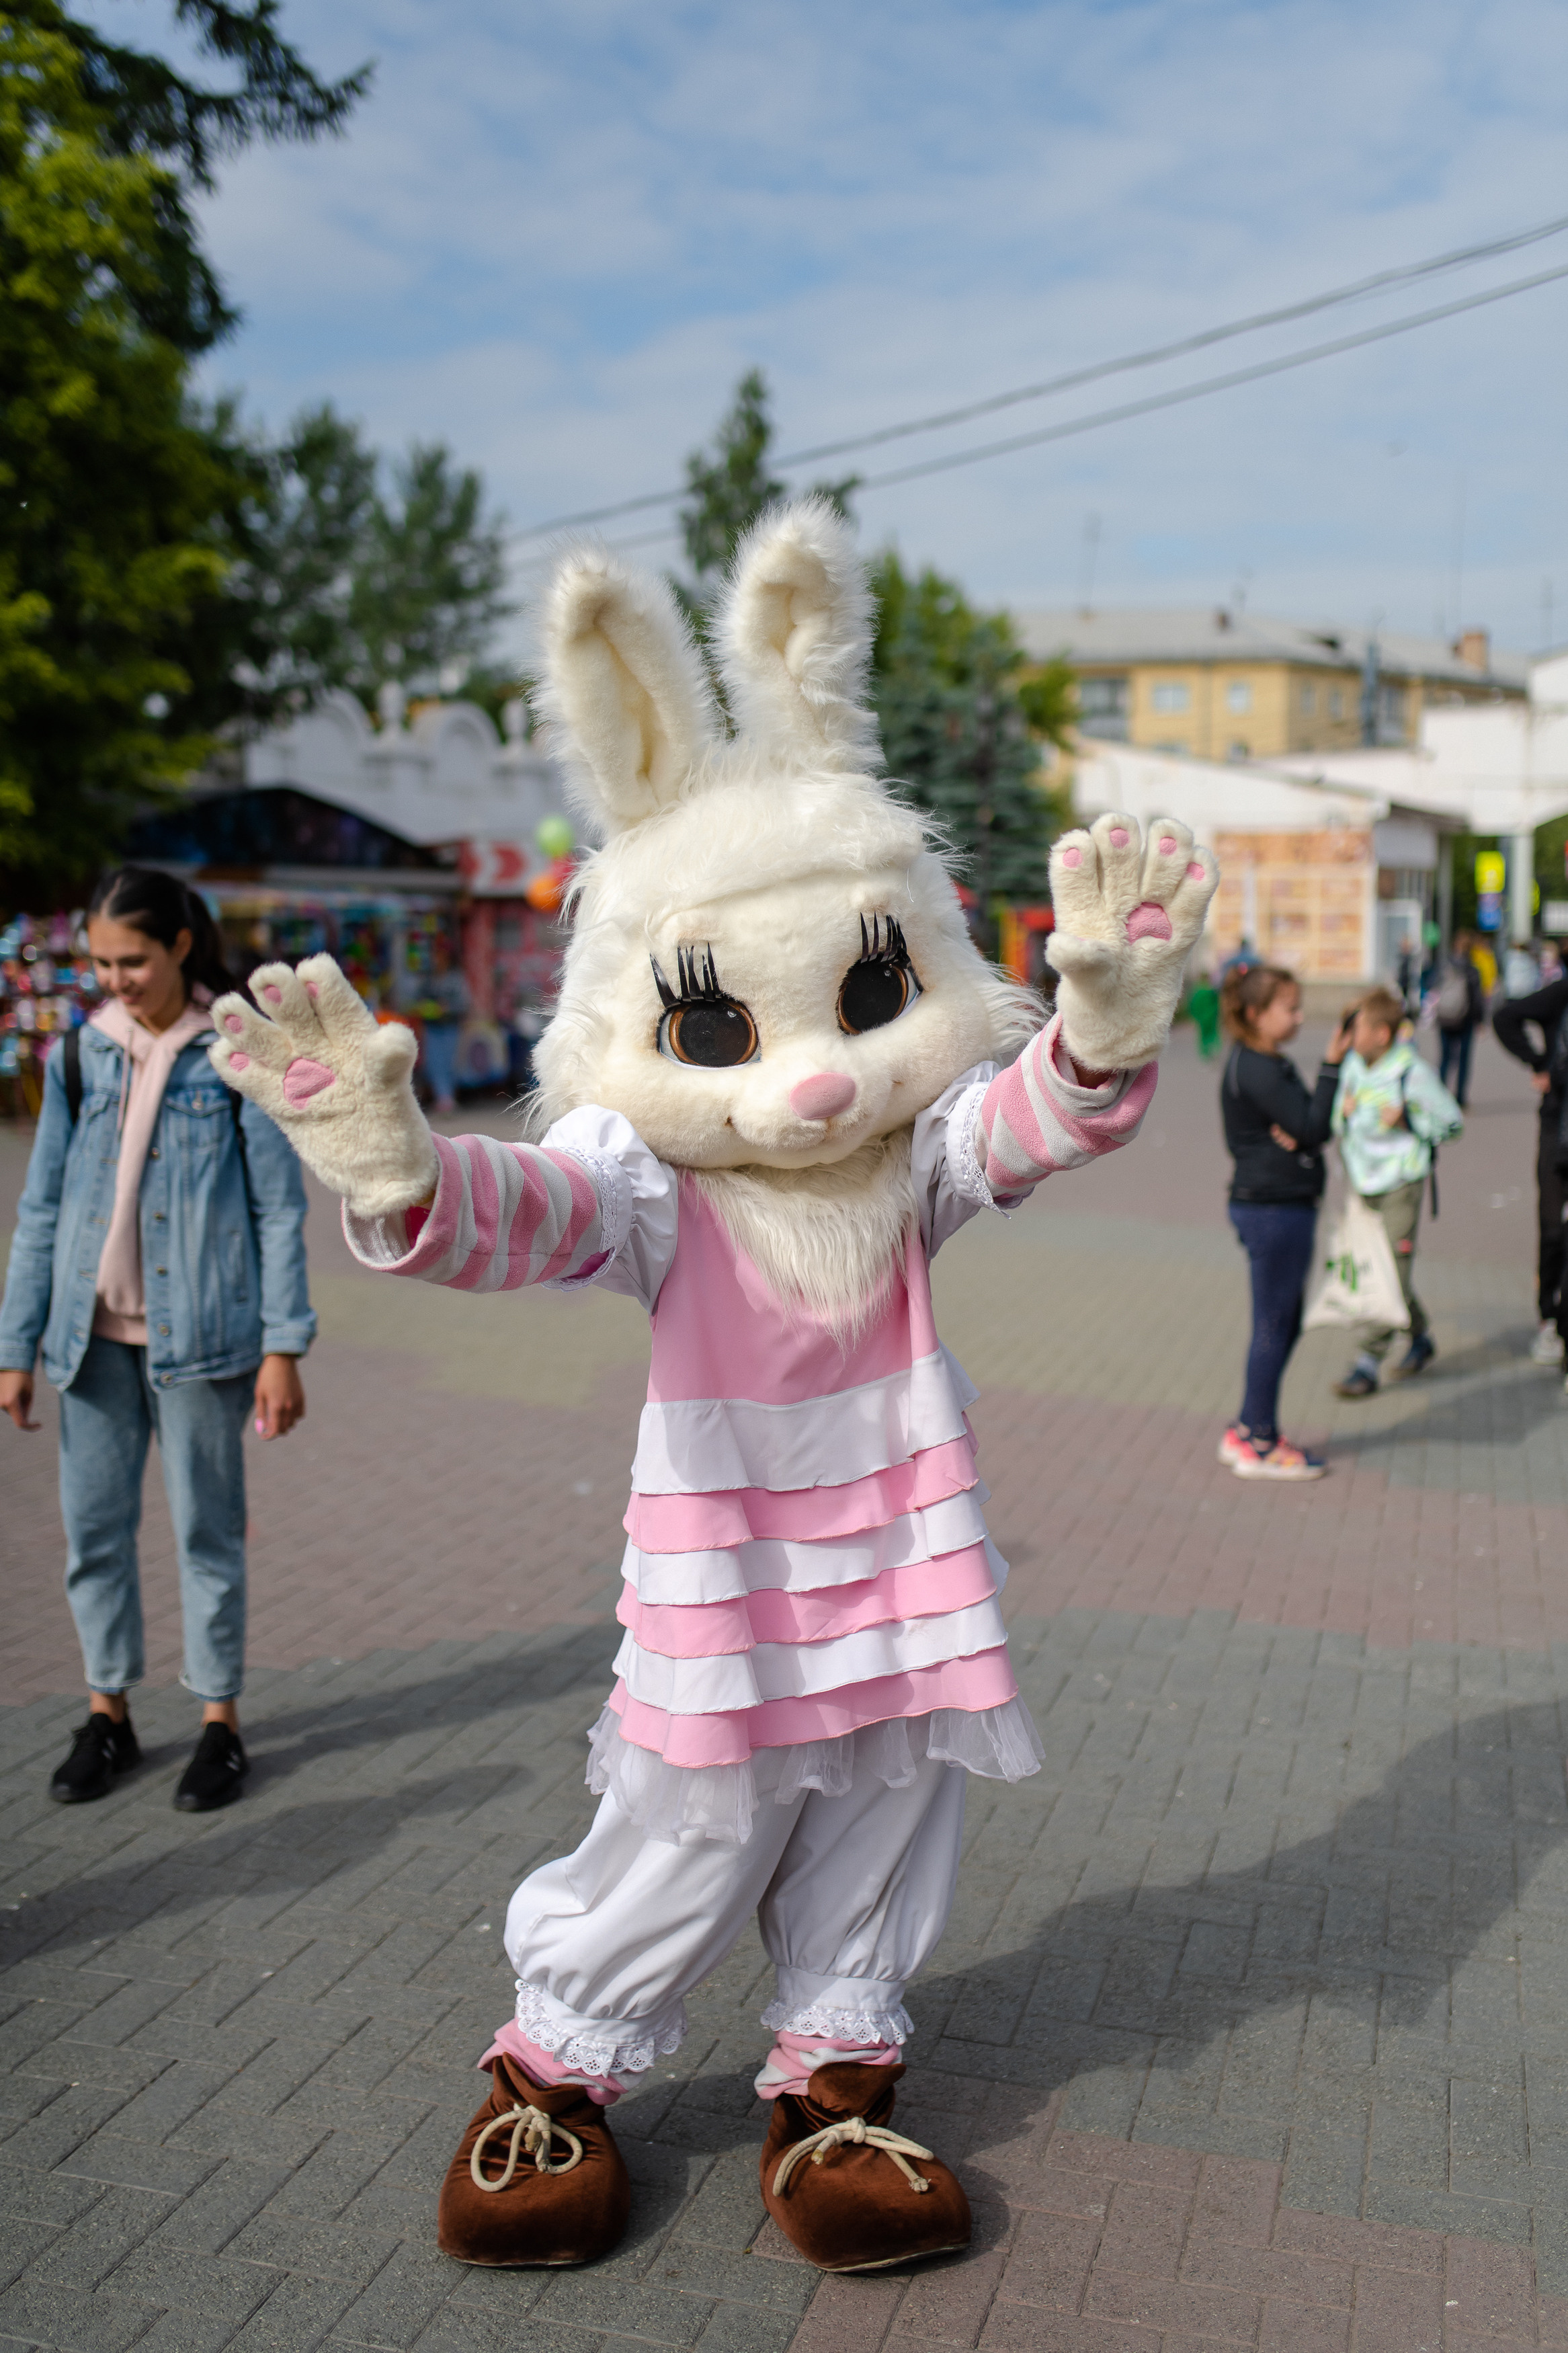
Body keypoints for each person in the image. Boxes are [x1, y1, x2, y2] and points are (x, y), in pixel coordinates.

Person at [204, 504, 1220, 2275]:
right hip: (726, 1581)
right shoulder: (657, 1180)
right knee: (690, 1820)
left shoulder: (902, 1170)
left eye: (860, 1002)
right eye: (727, 1026)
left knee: (893, 1803)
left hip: (898, 1567)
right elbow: (533, 1209)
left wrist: (1097, 1038)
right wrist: (397, 1172)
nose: (817, 1085)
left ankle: (831, 2072)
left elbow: (1012, 1122)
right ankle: (558, 2065)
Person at [0, 868, 315, 1809]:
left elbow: (278, 1210)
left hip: (206, 1342)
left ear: (180, 946)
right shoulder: (77, 1053)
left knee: (205, 1535)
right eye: (99, 961)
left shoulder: (235, 1055)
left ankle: (219, 1727)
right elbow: (44, 1206)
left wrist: (284, 1347)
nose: (114, 979)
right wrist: (16, 1348)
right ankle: (109, 1716)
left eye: (131, 960)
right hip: (86, 1341)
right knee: (94, 1535)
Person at [1218, 965, 1350, 1480]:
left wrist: (1302, 1127)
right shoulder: (1261, 1069)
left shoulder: (1257, 1062)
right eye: (1289, 1009)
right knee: (1274, 1325)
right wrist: (1332, 1065)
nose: (1298, 1017)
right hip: (1275, 1210)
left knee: (1280, 1322)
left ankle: (1248, 1426)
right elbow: (1313, 1126)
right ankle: (1260, 1442)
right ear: (1255, 1014)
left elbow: (1302, 1127)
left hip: (1269, 1205)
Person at [1330, 985, 1462, 1398]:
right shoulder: (1353, 1066)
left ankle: (1367, 1363)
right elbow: (1339, 1119)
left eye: (1359, 1029)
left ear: (1382, 1035)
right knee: (1383, 1272)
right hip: (1363, 1182)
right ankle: (1420, 1337)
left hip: (1402, 1184)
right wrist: (1344, 1116)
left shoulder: (1412, 1073)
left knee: (1388, 1273)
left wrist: (1410, 1121)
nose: (1351, 1037)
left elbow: (1453, 1123)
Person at [1492, 963, 1568, 1365]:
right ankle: (1549, 1321)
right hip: (1558, 1127)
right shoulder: (1561, 994)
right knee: (1553, 1228)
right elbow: (1505, 1017)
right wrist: (1539, 1062)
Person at [1433, 931, 1485, 1108]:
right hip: (1466, 1018)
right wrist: (1480, 1019)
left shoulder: (1444, 966)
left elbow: (1433, 987)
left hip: (1445, 1017)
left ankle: (1439, 1095)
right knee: (1464, 1059)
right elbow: (1477, 997)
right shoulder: (1471, 969)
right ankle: (1460, 1098)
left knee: (1446, 1058)